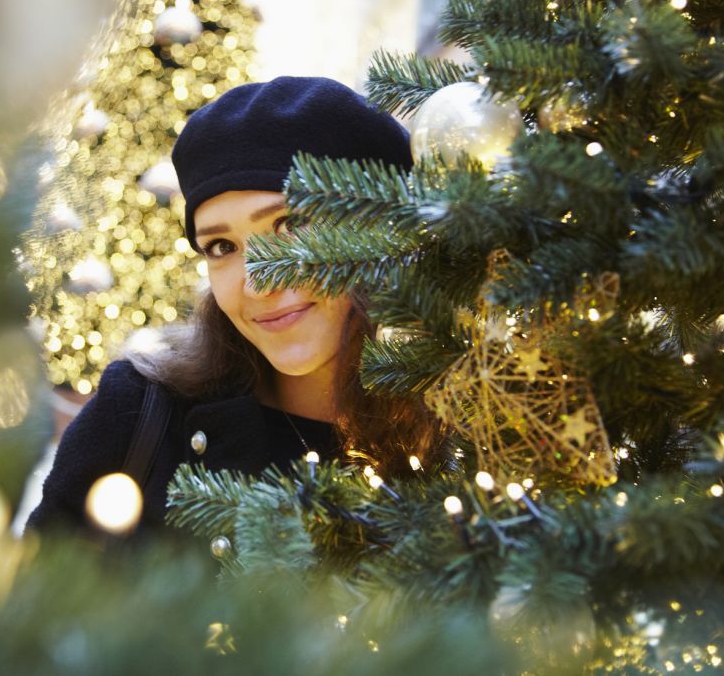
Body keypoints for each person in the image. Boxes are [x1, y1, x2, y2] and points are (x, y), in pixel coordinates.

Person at [26, 76, 445, 534]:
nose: (258, 285)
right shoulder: (135, 416)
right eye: (222, 247)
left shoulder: (478, 425)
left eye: (290, 225)